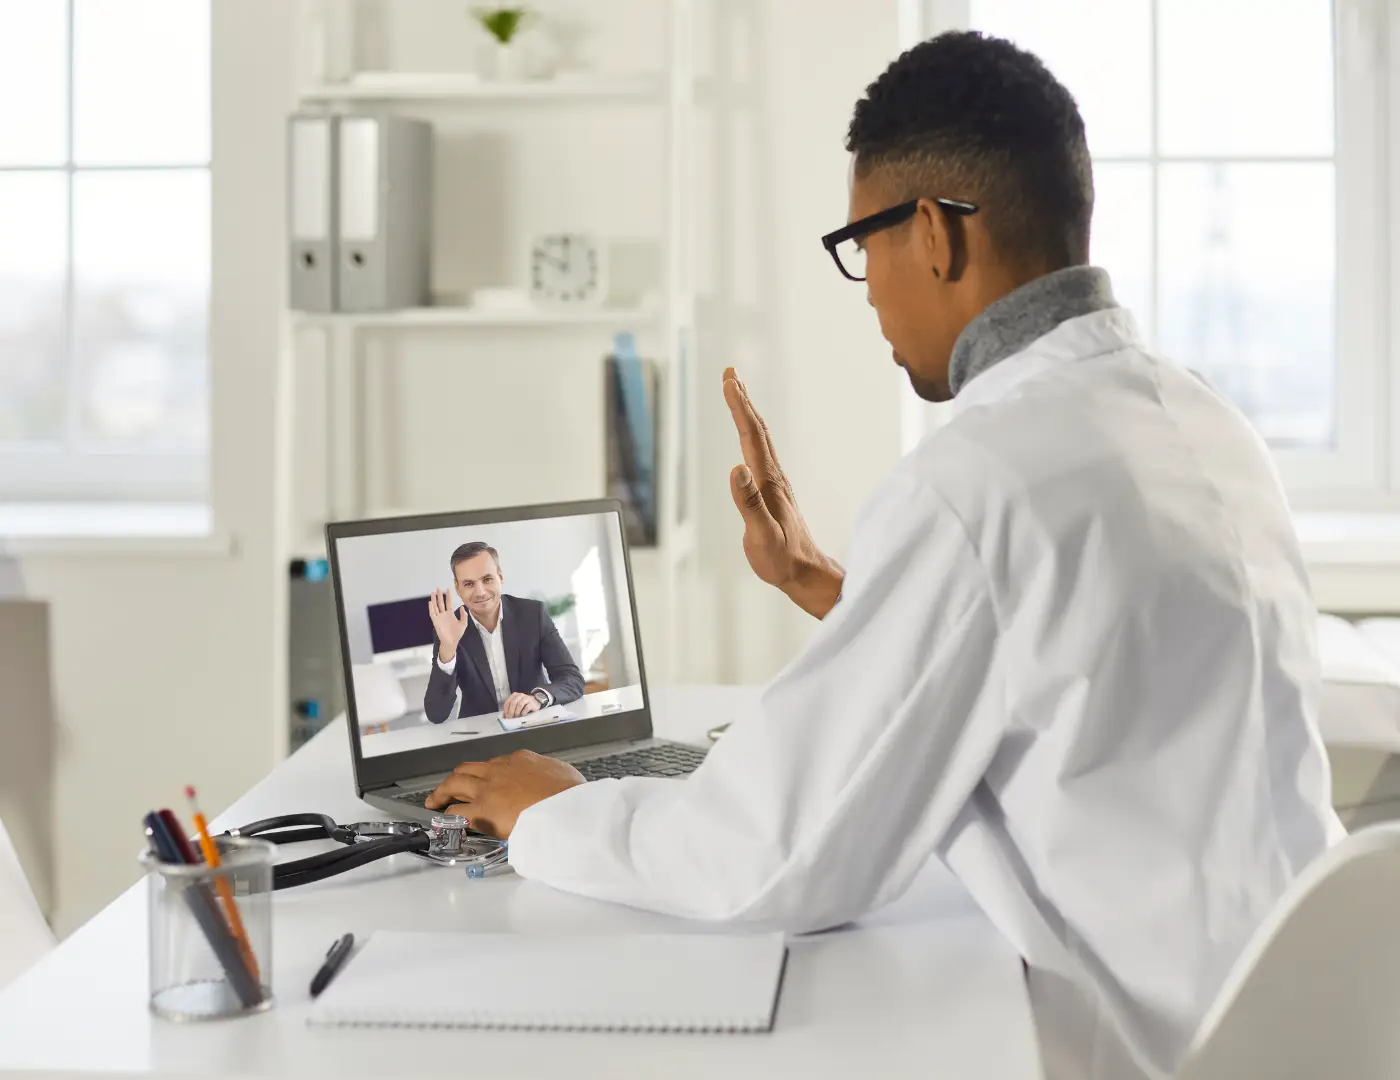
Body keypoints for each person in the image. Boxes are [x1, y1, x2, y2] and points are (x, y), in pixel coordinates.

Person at [423, 32, 1341, 1080]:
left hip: (1146, 1047)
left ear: (934, 234)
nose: (863, 290)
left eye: (863, 243)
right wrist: (819, 581)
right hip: (1297, 1016)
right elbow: (1063, 653)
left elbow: (776, 856)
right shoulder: (1197, 417)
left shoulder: (977, 480)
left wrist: (555, 810)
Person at [423, 542, 583, 722]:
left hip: (535, 723)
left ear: (500, 576)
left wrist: (538, 699)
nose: (480, 592)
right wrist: (448, 650)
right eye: (468, 584)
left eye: (487, 579)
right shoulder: (449, 629)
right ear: (457, 587)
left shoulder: (532, 614)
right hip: (483, 736)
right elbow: (436, 714)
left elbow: (572, 679)